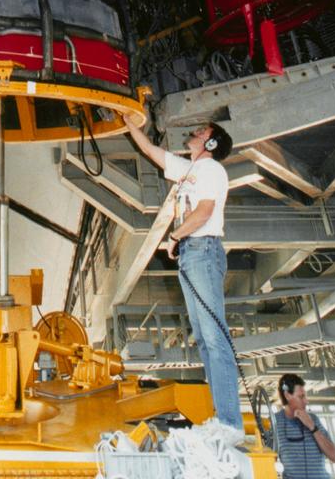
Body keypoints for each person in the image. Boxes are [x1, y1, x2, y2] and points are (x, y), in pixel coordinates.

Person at [125, 111, 242, 431]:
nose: (194, 131)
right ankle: (224, 419)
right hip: (193, 253)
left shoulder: (212, 169)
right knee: (205, 339)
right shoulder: (191, 168)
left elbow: (204, 212)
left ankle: (230, 423)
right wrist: (129, 124)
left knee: (214, 338)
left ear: (212, 142)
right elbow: (151, 152)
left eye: (202, 131)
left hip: (202, 250)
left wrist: (175, 236)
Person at [273, 374, 335, 477]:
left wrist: (312, 427)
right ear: (287, 395)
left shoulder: (313, 419)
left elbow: (334, 457)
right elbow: (268, 461)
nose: (306, 401)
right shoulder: (274, 423)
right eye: (301, 396)